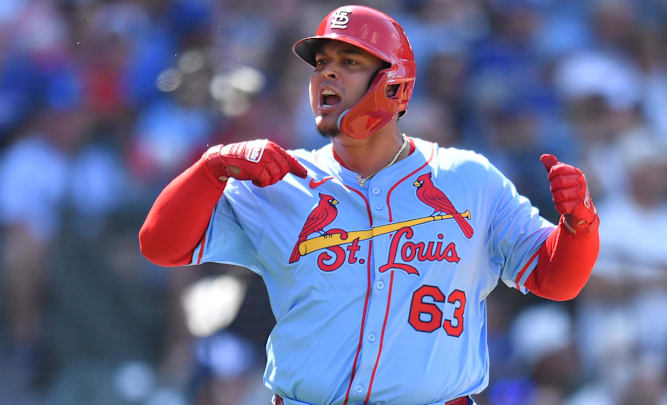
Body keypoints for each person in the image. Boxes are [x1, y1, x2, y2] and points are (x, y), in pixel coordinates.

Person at [139, 5, 599, 405]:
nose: (327, 73)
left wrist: (579, 224)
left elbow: (554, 278)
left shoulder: (468, 178)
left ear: (395, 82)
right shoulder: (282, 180)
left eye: (350, 60)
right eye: (321, 63)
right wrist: (209, 170)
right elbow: (162, 246)